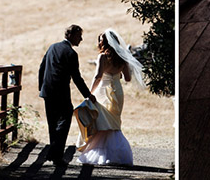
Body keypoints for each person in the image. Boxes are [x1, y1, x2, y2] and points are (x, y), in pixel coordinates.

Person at [74, 29, 146, 165]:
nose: (100, 42)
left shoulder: (102, 57)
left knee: (102, 122)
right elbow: (128, 78)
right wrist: (118, 72)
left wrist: (89, 94)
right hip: (117, 91)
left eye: (101, 39)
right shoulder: (122, 57)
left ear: (106, 42)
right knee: (113, 123)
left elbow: (97, 77)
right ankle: (117, 155)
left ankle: (100, 154)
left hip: (102, 90)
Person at [38, 24, 96, 167]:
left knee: (53, 123)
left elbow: (41, 68)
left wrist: (42, 87)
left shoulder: (52, 47)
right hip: (60, 92)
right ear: (71, 35)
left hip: (47, 91)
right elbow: (77, 78)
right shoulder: (71, 54)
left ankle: (56, 157)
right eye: (79, 36)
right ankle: (55, 153)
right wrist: (88, 95)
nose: (81, 39)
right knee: (65, 119)